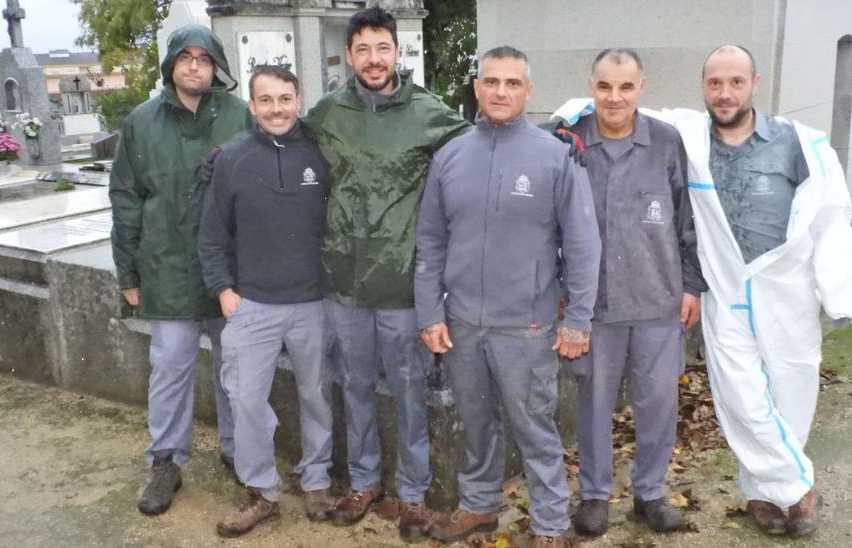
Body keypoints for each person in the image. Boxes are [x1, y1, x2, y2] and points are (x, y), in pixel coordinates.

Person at [656, 44, 852, 536]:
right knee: (740, 397)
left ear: (755, 83)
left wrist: (840, 289)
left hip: (787, 291)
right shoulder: (688, 138)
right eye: (714, 83)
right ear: (703, 87)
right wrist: (575, 111)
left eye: (735, 82)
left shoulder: (799, 143)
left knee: (791, 392)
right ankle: (800, 488)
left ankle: (763, 493)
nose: (724, 93)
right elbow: (633, 110)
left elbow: (830, 217)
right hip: (726, 292)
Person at [414, 46, 601, 548]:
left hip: (527, 324)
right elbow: (430, 240)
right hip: (463, 323)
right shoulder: (451, 156)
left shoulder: (555, 155)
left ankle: (549, 525)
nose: (501, 92)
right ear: (477, 88)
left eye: (512, 83)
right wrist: (430, 311)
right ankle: (479, 505)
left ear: (528, 92)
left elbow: (583, 244)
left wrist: (578, 319)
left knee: (534, 427)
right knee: (475, 421)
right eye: (491, 82)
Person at [303, 6, 470, 541]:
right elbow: (282, 144)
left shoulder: (429, 112)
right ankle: (364, 480)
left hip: (402, 282)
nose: (374, 60)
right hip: (343, 281)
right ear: (348, 55)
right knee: (353, 387)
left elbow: (479, 150)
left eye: (383, 48)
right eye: (363, 50)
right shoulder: (327, 113)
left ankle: (415, 494)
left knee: (409, 390)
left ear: (398, 52)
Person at [562, 48, 706, 536]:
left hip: (657, 301)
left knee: (657, 403)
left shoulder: (666, 143)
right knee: (594, 403)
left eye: (625, 87)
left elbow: (688, 218)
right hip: (595, 307)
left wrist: (691, 285)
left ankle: (650, 492)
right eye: (604, 87)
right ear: (591, 86)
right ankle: (596, 496)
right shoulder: (570, 142)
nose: (615, 97)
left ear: (641, 88)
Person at [108, 24, 251, 517]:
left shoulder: (239, 117)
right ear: (171, 64)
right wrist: (128, 274)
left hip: (229, 274)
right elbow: (126, 199)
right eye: (186, 57)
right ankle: (166, 460)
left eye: (205, 58)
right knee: (170, 368)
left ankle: (239, 449)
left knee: (235, 368)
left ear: (216, 67)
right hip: (166, 269)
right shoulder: (141, 123)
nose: (195, 66)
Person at [198, 65, 335, 538]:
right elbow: (212, 234)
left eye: (285, 98)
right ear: (252, 106)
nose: (276, 108)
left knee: (316, 395)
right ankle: (261, 490)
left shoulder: (323, 152)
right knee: (246, 399)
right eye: (266, 100)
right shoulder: (231, 160)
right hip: (251, 303)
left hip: (313, 302)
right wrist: (224, 290)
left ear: (299, 99)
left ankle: (316, 481)